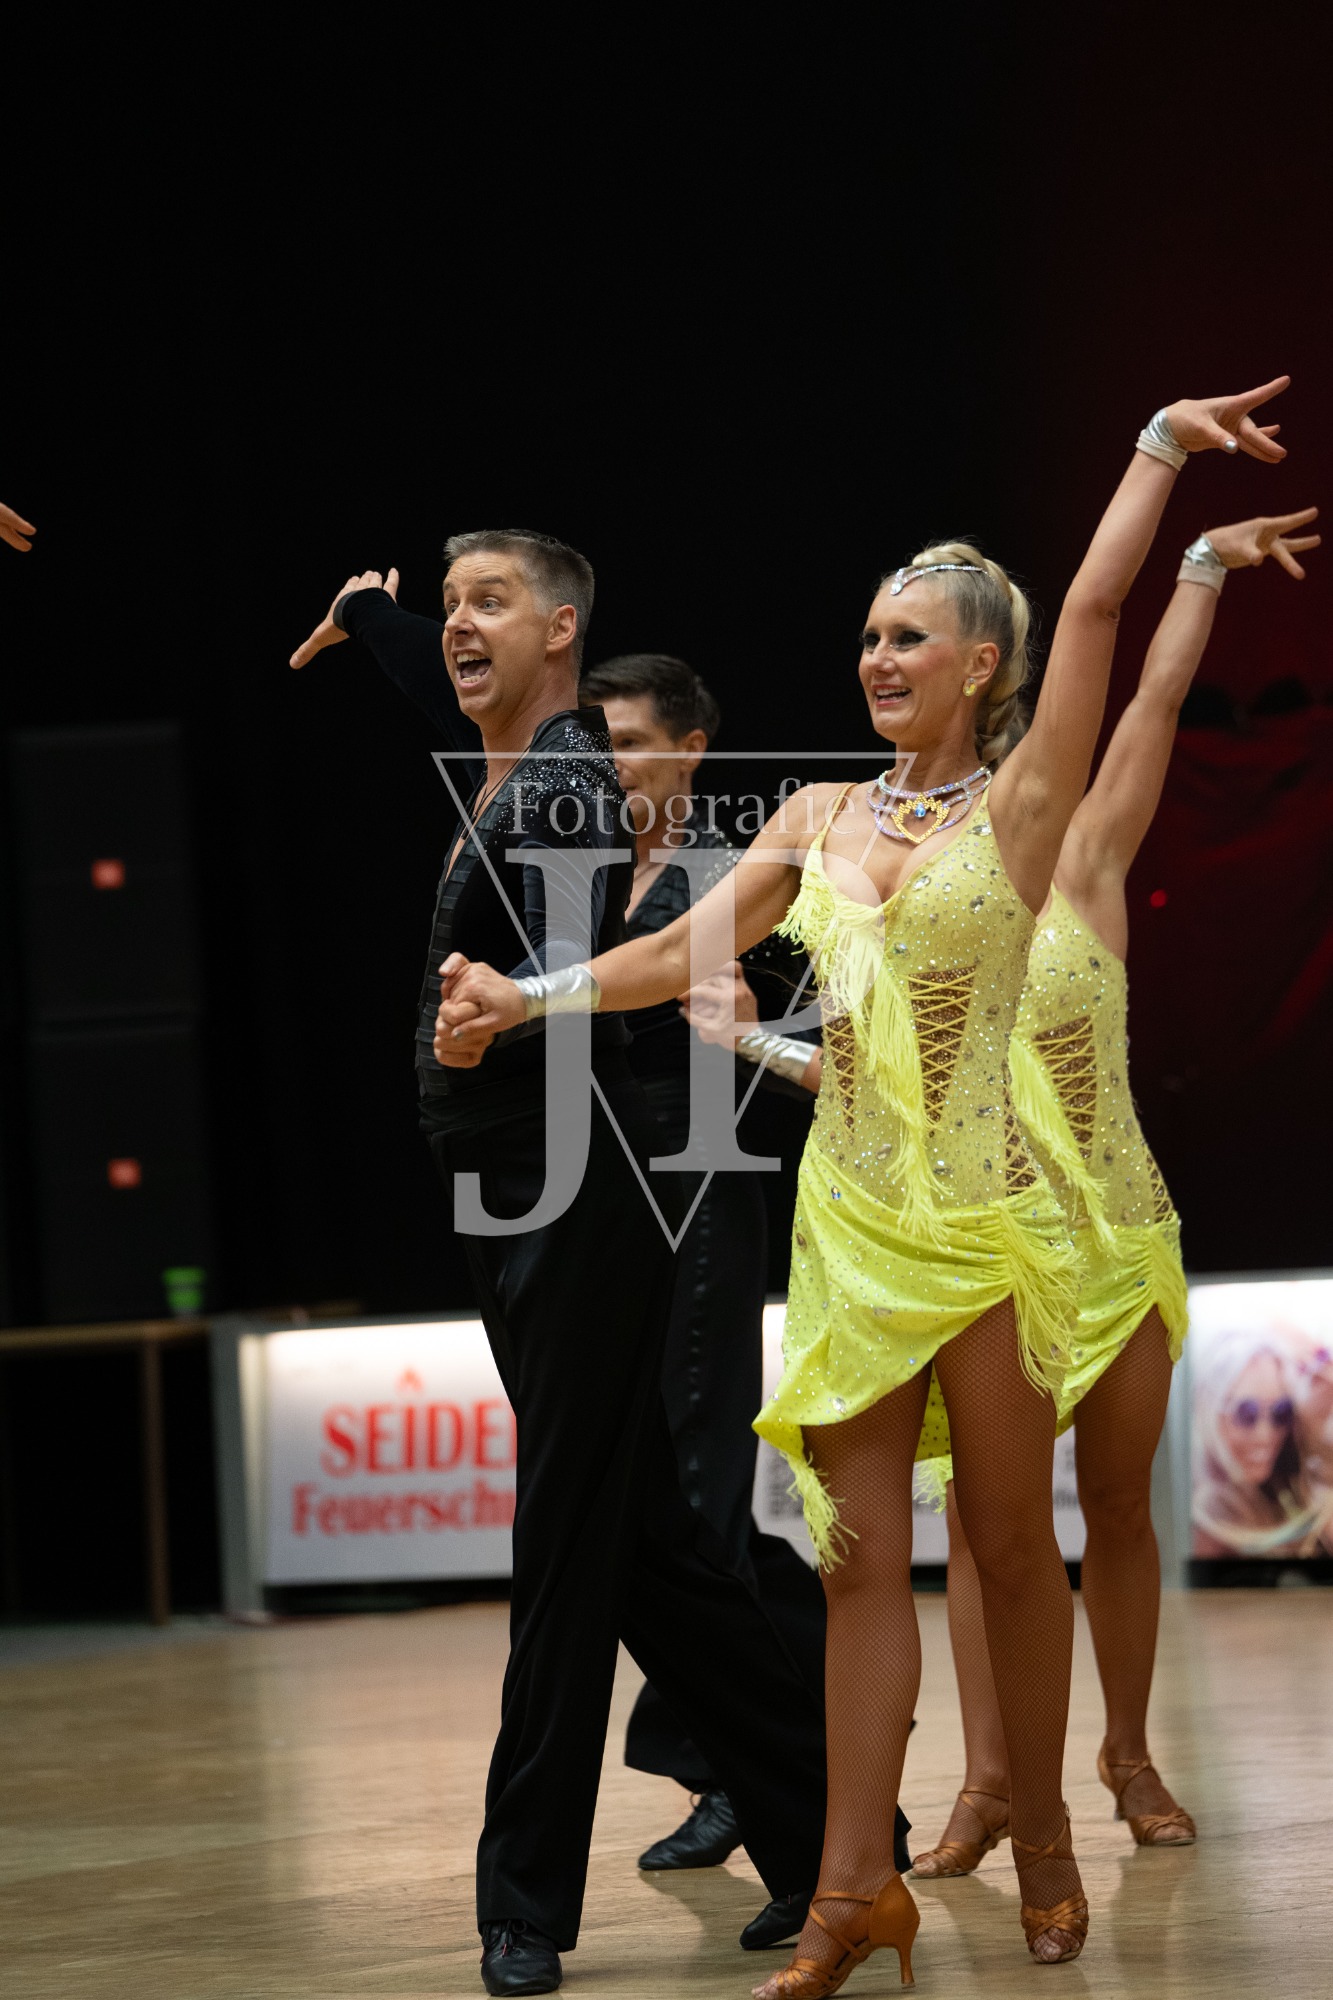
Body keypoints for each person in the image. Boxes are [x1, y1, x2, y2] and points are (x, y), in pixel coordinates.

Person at [435, 380, 1291, 1993]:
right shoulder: (816, 813)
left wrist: (1158, 456)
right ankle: (850, 1892)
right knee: (850, 1571)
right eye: (867, 638)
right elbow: (675, 955)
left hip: (987, 1224)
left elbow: (1094, 614)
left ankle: (1046, 1835)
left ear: (980, 666)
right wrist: (527, 1001)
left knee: (1009, 1546)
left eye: (909, 639)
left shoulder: (1030, 807)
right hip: (848, 1226)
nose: (877, 659)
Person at [700, 509, 1319, 1870]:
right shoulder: (909, 891)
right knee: (992, 1532)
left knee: (1115, 1507)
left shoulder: (1079, 853)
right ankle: (989, 1786)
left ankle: (1126, 1753)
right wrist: (746, 1036)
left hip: (1113, 1226)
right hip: (984, 1232)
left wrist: (1201, 571)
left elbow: (1151, 699)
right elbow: (854, 1074)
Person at [288, 534, 828, 1999]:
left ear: (563, 630)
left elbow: (605, 978)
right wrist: (369, 617)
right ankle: (835, 1836)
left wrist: (509, 1005)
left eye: (492, 604)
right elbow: (433, 677)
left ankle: (521, 1901)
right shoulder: (512, 746)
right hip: (513, 1189)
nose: (460, 627)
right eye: (451, 604)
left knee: (567, 1544)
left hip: (576, 1189)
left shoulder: (568, 785)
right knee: (642, 1537)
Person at [577, 654, 911, 1930]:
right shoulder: (584, 875)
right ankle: (770, 1753)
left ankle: (788, 1783)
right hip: (607, 1204)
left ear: (691, 747)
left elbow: (851, 1036)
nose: (607, 765)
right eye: (596, 742)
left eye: (627, 741)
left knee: (700, 1496)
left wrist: (757, 1024)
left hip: (705, 1197)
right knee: (657, 1506)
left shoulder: (745, 877)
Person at [1192, 1321, 1333, 1557]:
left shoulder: (1282, 1487)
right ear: (1207, 1411)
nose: (1265, 1435)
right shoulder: (1200, 1523)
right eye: (1246, 1414)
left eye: (1281, 1412)